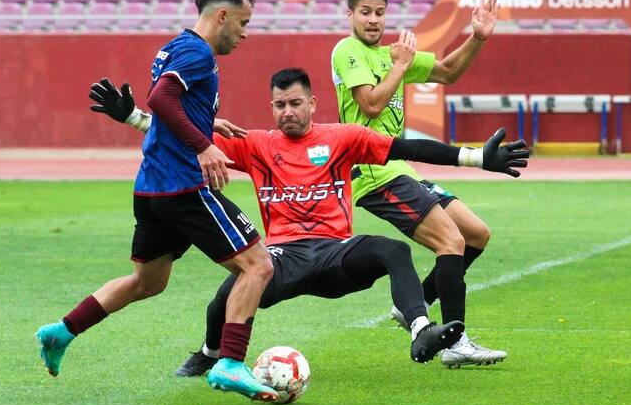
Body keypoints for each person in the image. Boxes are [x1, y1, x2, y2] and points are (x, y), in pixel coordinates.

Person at [89, 68, 527, 377]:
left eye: (296, 103)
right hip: (283, 255)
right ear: (272, 107)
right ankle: (209, 352)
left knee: (393, 250)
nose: (288, 112)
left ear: (312, 103)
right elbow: (186, 139)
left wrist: (475, 157)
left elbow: (408, 148)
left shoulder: (343, 137)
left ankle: (420, 330)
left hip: (336, 253)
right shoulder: (256, 144)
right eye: (280, 105)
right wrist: (132, 117)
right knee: (228, 292)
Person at [35, 0, 280, 402]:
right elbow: (161, 97)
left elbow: (170, 106)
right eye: (243, 22)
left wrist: (206, 121)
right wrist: (204, 145)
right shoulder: (198, 53)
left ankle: (62, 331)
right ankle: (230, 363)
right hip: (182, 187)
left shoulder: (175, 46)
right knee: (258, 266)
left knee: (147, 282)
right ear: (222, 15)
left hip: (152, 189)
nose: (245, 33)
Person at [332, 0, 506, 367]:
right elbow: (371, 105)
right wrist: (400, 67)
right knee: (450, 241)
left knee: (475, 234)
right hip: (375, 173)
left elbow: (448, 72)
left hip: (401, 170)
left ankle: (417, 302)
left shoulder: (391, 55)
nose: (373, 20)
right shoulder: (347, 51)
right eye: (365, 12)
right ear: (350, 15)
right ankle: (457, 343)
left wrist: (477, 37)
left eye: (379, 12)